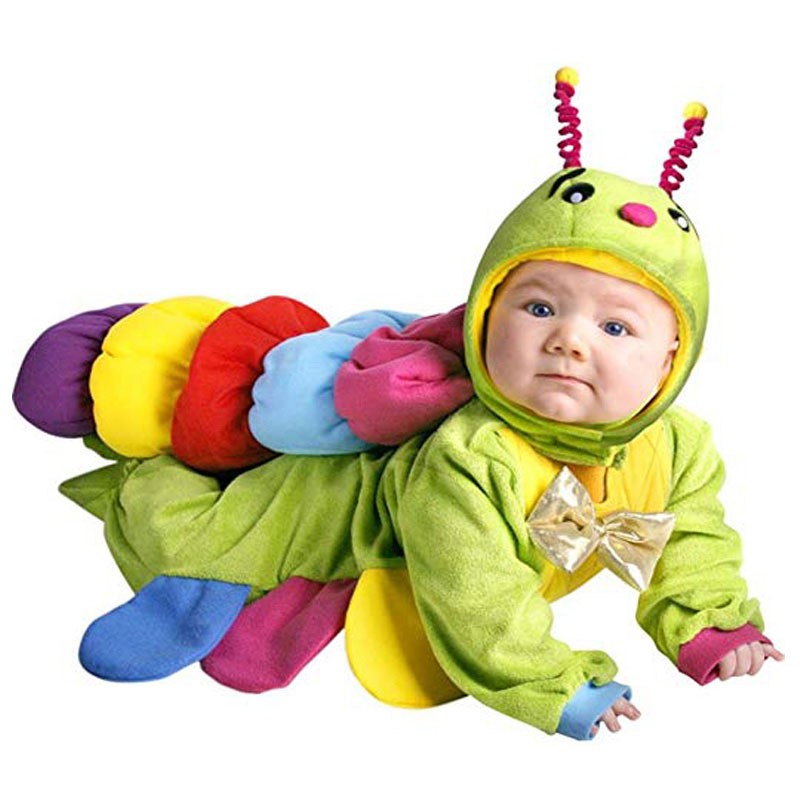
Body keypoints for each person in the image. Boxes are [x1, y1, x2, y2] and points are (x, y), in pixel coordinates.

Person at [14, 69, 784, 740]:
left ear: (673, 359)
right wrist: (555, 686)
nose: (569, 342)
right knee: (195, 535)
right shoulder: (470, 456)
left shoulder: (678, 446)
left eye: (616, 327)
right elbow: (476, 597)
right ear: (485, 317)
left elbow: (694, 539)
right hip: (309, 509)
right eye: (539, 308)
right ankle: (144, 438)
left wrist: (711, 624)